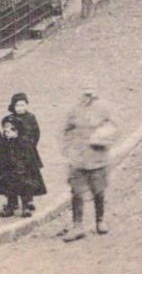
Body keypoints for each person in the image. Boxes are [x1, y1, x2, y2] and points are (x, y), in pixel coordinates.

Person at [59, 88, 116, 241]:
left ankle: (100, 220)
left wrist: (103, 137)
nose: (87, 97)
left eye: (90, 94)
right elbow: (66, 131)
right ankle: (77, 226)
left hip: (97, 157)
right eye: (85, 93)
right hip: (77, 158)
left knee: (98, 191)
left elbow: (112, 128)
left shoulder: (104, 109)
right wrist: (67, 148)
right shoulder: (74, 110)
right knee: (76, 192)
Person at [0, 115, 48, 216]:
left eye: (11, 129)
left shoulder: (23, 142)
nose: (8, 131)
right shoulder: (4, 142)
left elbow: (29, 157)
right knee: (9, 188)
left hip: (23, 170)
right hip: (9, 170)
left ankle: (25, 207)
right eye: (5, 129)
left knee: (25, 187)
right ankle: (10, 207)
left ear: (17, 130)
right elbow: (1, 155)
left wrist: (22, 165)